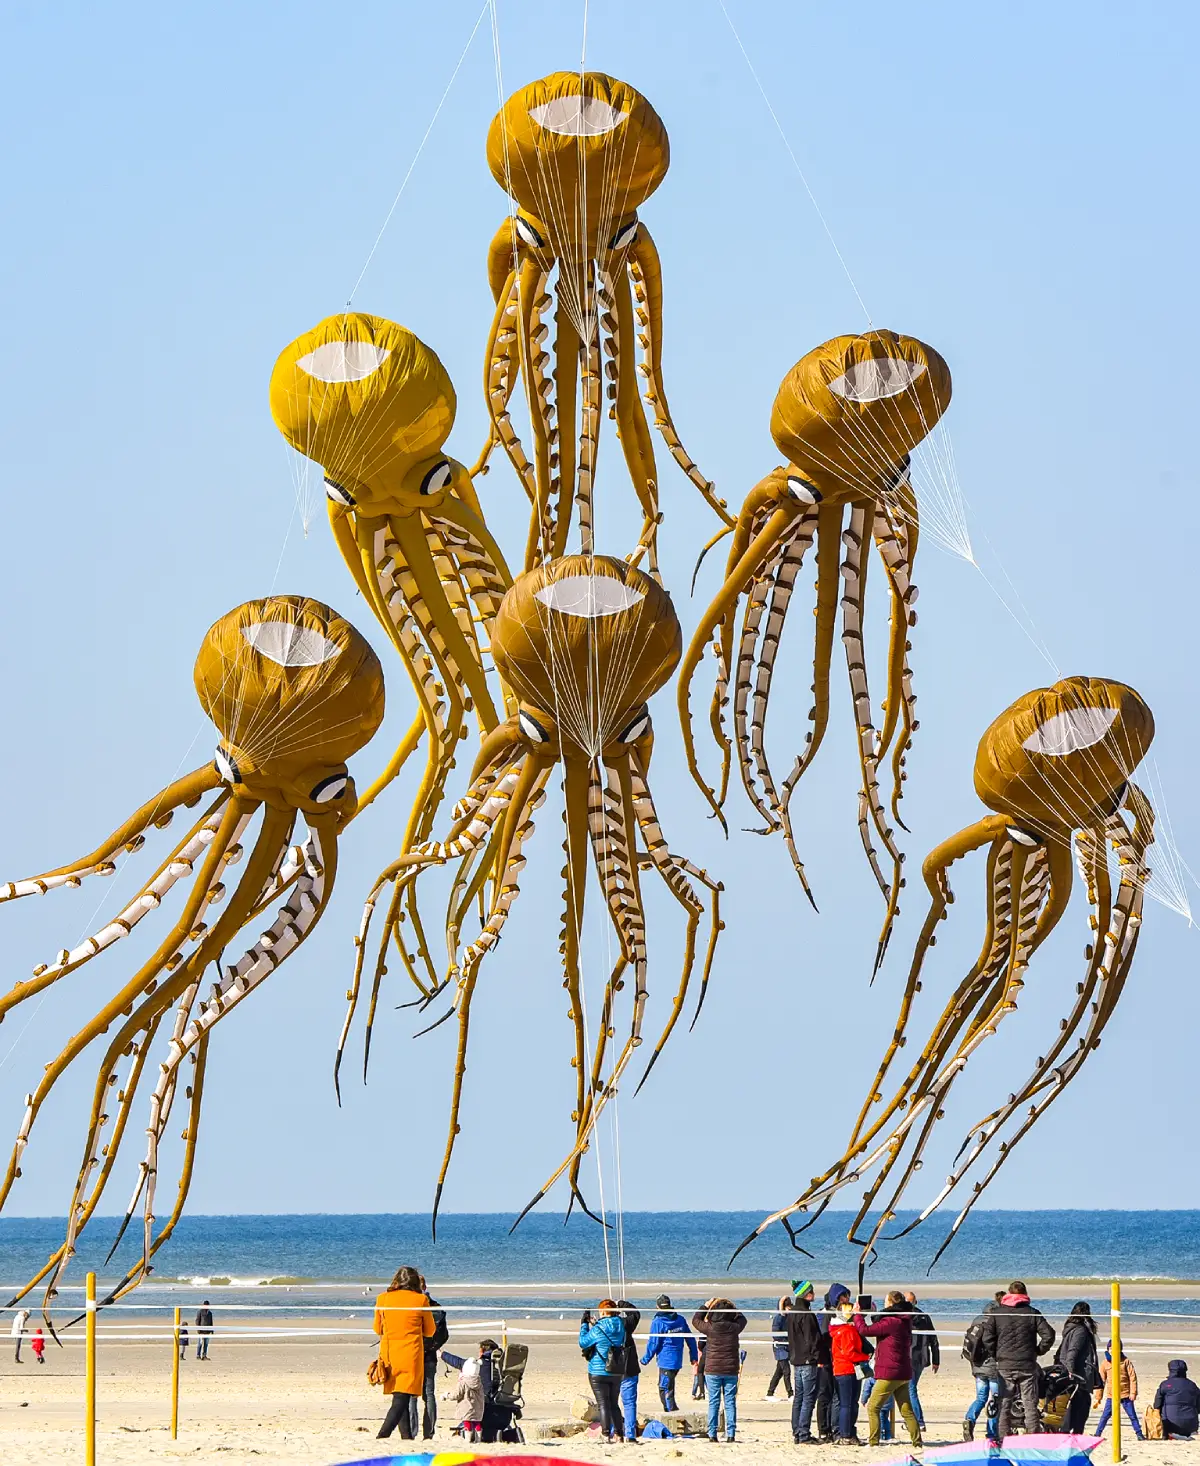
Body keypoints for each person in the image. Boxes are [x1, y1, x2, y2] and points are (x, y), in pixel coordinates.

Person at [982, 1280, 1055, 1436]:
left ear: (1009, 1294)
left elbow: (987, 1338)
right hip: (1026, 1365)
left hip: (1006, 1364)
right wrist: (1037, 1351)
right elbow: (1049, 1335)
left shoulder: (997, 1313)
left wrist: (996, 1354)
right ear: (1025, 1294)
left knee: (1005, 1403)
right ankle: (1032, 1439)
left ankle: (1003, 1438)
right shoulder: (1032, 1313)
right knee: (1030, 1404)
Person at [373, 1263, 437, 1440]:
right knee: (402, 1398)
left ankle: (406, 1437)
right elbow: (430, 1330)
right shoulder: (421, 1300)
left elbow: (377, 1328)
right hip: (411, 1353)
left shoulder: (382, 1299)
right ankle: (382, 1435)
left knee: (400, 1396)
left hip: (389, 1353)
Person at [855, 1291, 922, 1449]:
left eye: (885, 1301)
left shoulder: (892, 1321)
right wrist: (871, 1313)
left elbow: (865, 1330)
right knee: (906, 1410)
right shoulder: (904, 1319)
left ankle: (873, 1441)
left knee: (872, 1407)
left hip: (890, 1373)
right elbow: (878, 1325)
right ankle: (917, 1442)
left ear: (891, 1303)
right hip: (903, 1371)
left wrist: (857, 1315)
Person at [692, 1296, 747, 1443]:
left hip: (713, 1370)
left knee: (714, 1402)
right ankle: (731, 1434)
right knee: (730, 1402)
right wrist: (732, 1305)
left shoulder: (710, 1327)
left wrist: (706, 1305)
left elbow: (696, 1320)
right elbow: (743, 1319)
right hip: (730, 1370)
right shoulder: (735, 1328)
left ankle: (712, 1434)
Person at [441, 1336, 513, 1442]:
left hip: (482, 1412)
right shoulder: (504, 1367)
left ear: (482, 1352)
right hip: (504, 1415)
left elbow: (457, 1361)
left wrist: (442, 1354)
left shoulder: (476, 1366)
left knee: (467, 1416)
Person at [579, 1300, 627, 1442]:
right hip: (616, 1370)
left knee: (603, 1404)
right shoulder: (621, 1326)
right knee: (614, 1404)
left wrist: (584, 1325)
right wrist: (595, 1325)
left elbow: (583, 1341)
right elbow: (610, 1336)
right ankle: (619, 1434)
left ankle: (606, 1434)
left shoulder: (599, 1328)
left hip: (598, 1370)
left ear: (603, 1312)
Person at [641, 1294, 698, 1412]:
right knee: (668, 1386)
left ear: (658, 1307)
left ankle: (671, 1413)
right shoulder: (680, 1319)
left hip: (666, 1361)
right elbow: (690, 1339)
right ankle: (673, 1409)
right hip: (677, 1360)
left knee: (665, 1388)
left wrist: (645, 1359)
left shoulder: (658, 1322)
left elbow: (654, 1342)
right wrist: (693, 1356)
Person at [408, 1276, 448, 1439]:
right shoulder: (436, 1307)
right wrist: (432, 1347)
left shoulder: (412, 1307)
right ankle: (428, 1432)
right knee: (428, 1394)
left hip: (415, 1355)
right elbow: (444, 1335)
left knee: (413, 1395)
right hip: (429, 1355)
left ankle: (412, 1431)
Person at [961, 1293, 1004, 1441]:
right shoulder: (997, 1322)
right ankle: (992, 1432)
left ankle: (969, 1419)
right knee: (995, 1401)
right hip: (992, 1367)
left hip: (977, 1365)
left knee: (980, 1398)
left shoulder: (977, 1320)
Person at [1056, 1302, 1101, 1435]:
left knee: (1077, 1407)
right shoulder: (1080, 1330)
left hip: (1075, 1373)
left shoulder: (1072, 1328)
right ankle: (1069, 1434)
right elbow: (1072, 1351)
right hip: (1078, 1375)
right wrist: (1070, 1370)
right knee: (1080, 1408)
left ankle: (1072, 1433)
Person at [785, 1281, 823, 1443]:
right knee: (808, 1398)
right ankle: (803, 1433)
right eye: (812, 1292)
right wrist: (818, 1357)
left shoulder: (793, 1312)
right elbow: (812, 1339)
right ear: (807, 1294)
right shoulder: (806, 1314)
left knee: (799, 1397)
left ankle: (797, 1431)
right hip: (807, 1361)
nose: (814, 1294)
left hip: (796, 1359)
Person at [830, 1295, 870, 1442]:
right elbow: (849, 1353)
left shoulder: (845, 1329)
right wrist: (864, 1357)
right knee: (847, 1404)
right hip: (846, 1370)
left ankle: (849, 1432)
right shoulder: (846, 1331)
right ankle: (845, 1434)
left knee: (851, 1404)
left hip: (848, 1370)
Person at [817, 1285, 850, 1439]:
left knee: (836, 1395)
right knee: (825, 1394)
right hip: (827, 1360)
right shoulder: (826, 1315)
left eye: (847, 1296)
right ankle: (824, 1430)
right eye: (843, 1297)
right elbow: (824, 1337)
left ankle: (833, 1427)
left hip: (839, 1359)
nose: (846, 1299)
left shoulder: (842, 1314)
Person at [905, 1291, 940, 1432]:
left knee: (911, 1389)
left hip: (910, 1357)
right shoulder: (924, 1317)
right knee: (909, 1389)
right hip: (921, 1357)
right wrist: (936, 1360)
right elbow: (934, 1340)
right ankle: (911, 1420)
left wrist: (936, 1360)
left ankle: (918, 1421)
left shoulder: (906, 1317)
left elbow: (933, 1339)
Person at [1095, 1340, 1143, 1440]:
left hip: (1125, 1394)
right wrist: (1098, 1397)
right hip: (1112, 1395)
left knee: (1132, 1416)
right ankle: (1097, 1434)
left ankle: (1139, 1434)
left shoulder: (1125, 1361)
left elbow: (1132, 1377)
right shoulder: (1105, 1363)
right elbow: (1101, 1381)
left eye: (1115, 1349)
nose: (1113, 1351)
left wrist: (1133, 1392)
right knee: (1105, 1416)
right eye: (1111, 1349)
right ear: (1108, 1349)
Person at [1153, 1360, 1200, 1440]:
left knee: (1161, 1407)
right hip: (1191, 1425)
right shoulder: (1192, 1385)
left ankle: (1169, 1433)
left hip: (1170, 1425)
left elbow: (1157, 1405)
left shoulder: (1165, 1384)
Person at [617, 1300, 641, 1442]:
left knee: (612, 1403)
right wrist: (622, 1304)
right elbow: (636, 1314)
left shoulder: (603, 1326)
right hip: (627, 1369)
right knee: (629, 1403)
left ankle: (616, 1432)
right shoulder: (625, 1325)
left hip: (613, 1370)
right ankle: (629, 1435)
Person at [450, 1355, 486, 1442]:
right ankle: (478, 1439)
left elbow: (457, 1394)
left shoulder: (463, 1382)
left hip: (466, 1407)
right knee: (477, 1423)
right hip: (478, 1407)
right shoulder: (479, 1382)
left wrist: (447, 1395)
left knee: (467, 1422)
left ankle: (468, 1439)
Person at [766, 1297, 794, 1399]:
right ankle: (790, 1394)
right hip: (779, 1347)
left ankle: (770, 1393)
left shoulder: (790, 1317)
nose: (790, 1309)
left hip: (787, 1347)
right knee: (786, 1371)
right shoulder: (778, 1318)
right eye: (788, 1307)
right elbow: (775, 1334)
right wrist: (785, 1340)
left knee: (779, 1372)